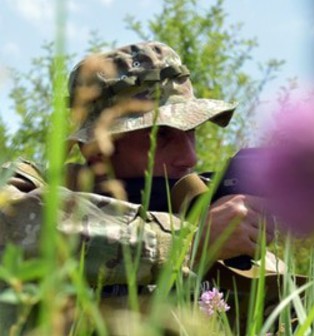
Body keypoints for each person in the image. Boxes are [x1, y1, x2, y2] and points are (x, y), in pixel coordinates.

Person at [0, 41, 285, 333]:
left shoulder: (213, 223)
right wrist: (189, 245)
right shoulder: (23, 185)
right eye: (162, 135)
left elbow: (309, 316)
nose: (190, 157)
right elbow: (19, 223)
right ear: (96, 148)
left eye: (193, 133)